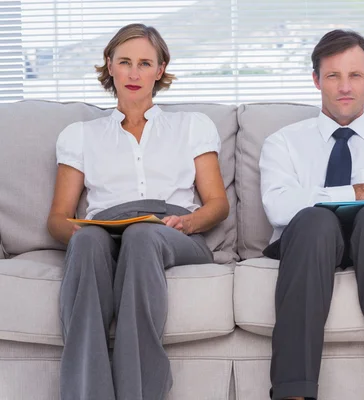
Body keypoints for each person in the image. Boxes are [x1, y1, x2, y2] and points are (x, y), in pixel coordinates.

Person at [47, 23, 229, 400]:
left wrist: (189, 222)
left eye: (145, 63)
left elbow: (217, 204)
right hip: (106, 228)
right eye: (125, 62)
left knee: (143, 235)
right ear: (109, 65)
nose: (134, 73)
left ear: (159, 70)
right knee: (89, 245)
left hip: (174, 231)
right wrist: (81, 235)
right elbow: (58, 216)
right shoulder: (81, 135)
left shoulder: (191, 126)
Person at [259, 29, 364, 400]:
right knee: (315, 221)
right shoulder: (283, 142)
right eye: (333, 76)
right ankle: (294, 394)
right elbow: (279, 208)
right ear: (317, 80)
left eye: (354, 75)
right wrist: (354, 192)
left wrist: (325, 198)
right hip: (308, 242)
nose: (345, 87)